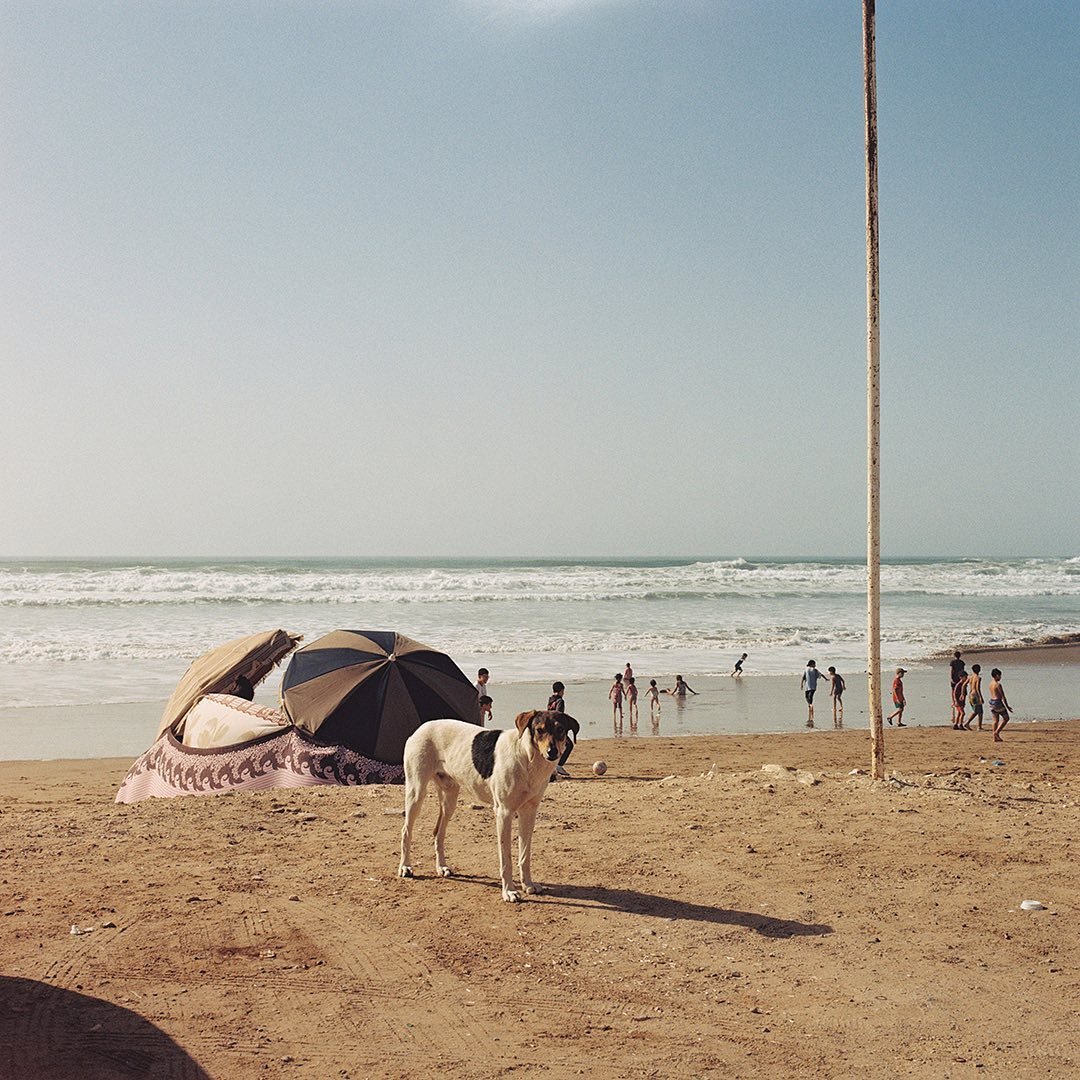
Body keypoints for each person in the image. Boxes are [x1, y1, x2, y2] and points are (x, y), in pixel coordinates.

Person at [548, 681, 574, 777]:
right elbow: (558, 715)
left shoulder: (550, 700)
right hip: (557, 730)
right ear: (561, 691)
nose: (563, 693)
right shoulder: (560, 701)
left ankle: (552, 768)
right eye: (563, 691)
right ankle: (559, 765)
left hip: (549, 729)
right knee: (569, 745)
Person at [989, 667, 1012, 742]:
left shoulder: (990, 684)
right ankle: (996, 732)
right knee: (1006, 718)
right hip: (997, 702)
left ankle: (995, 737)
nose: (1000, 677)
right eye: (999, 676)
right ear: (996, 676)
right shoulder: (997, 685)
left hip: (992, 702)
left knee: (995, 720)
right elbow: (1003, 696)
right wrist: (1007, 706)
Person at [800, 660, 824, 727]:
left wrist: (801, 684)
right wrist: (826, 679)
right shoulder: (815, 670)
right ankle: (810, 705)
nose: (815, 665)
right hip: (813, 686)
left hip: (807, 686)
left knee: (807, 696)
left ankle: (810, 705)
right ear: (811, 664)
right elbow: (820, 675)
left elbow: (803, 677)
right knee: (811, 696)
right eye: (814, 664)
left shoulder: (806, 669)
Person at [967, 663, 984, 731]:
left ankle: (979, 726)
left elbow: (964, 684)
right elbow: (977, 688)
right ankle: (968, 723)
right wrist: (980, 697)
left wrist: (963, 693)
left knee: (979, 711)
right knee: (978, 711)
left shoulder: (970, 677)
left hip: (970, 694)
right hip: (975, 695)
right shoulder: (978, 678)